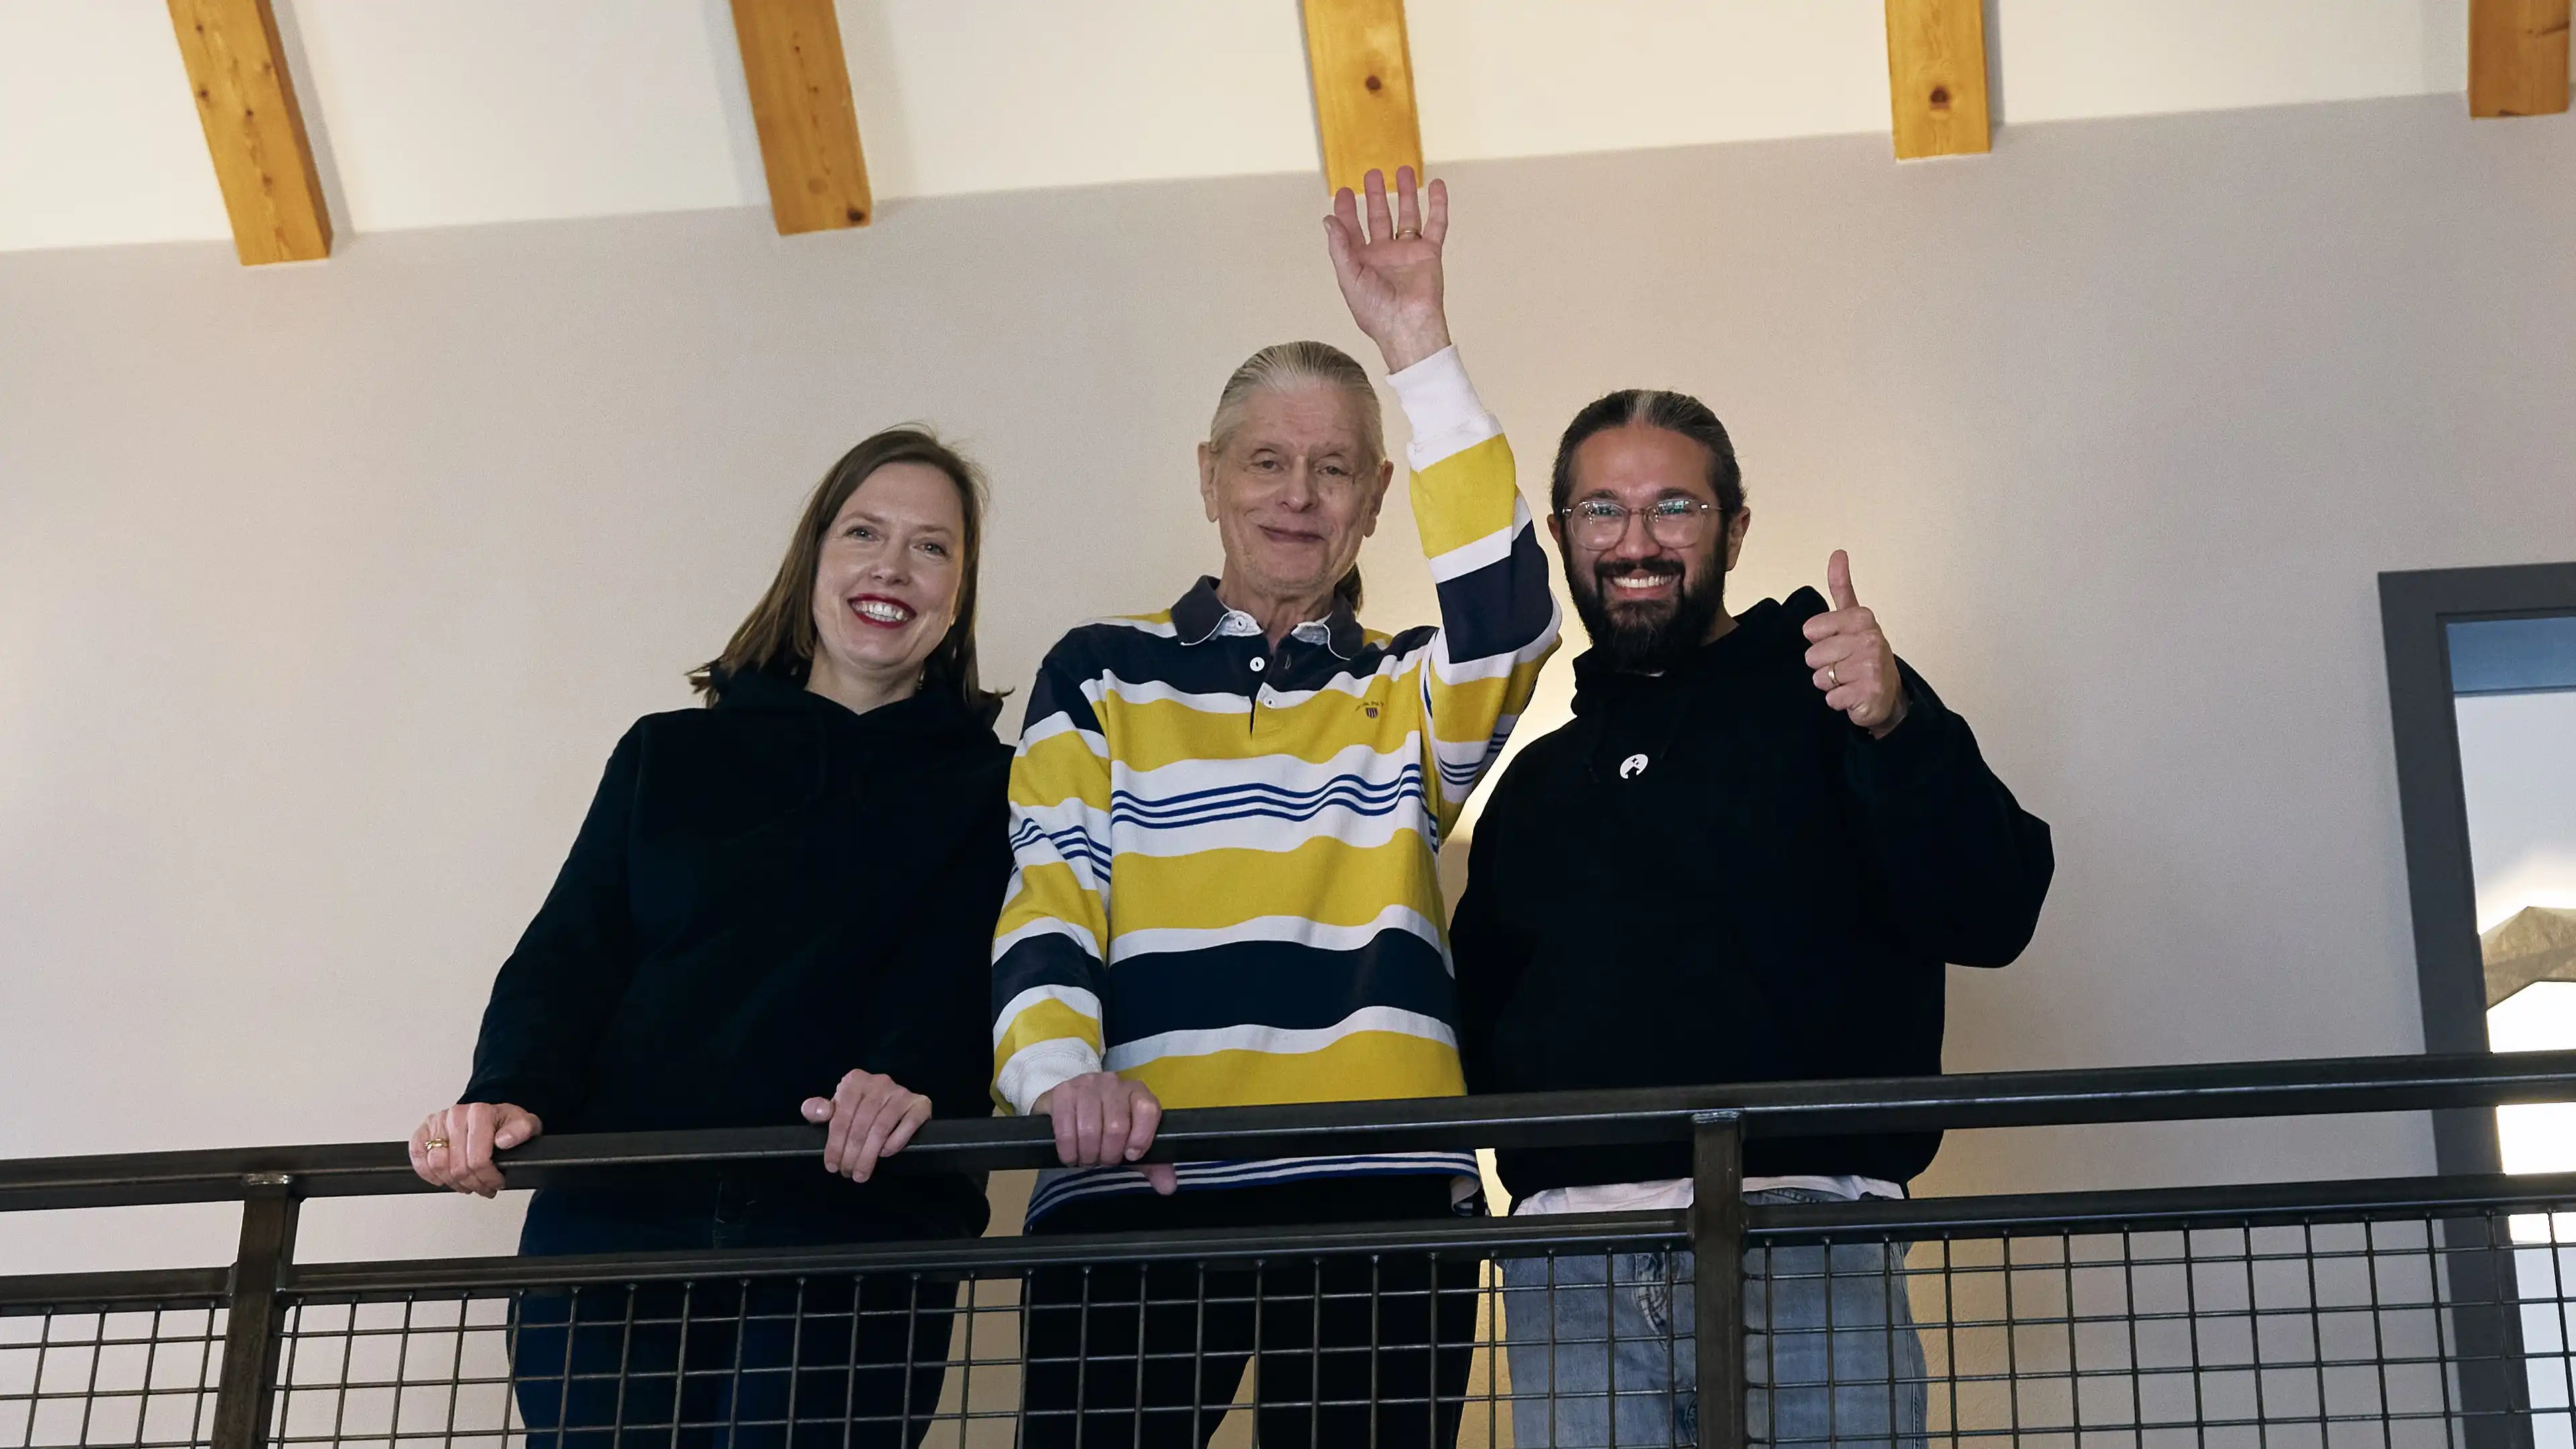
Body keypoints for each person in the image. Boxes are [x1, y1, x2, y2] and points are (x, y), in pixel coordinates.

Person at [989, 168, 1560, 1446]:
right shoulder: (1098, 670)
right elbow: (1051, 892)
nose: (1299, 493)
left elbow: (1516, 624)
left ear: (1374, 502)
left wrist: (1415, 341)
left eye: (1334, 468)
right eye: (1266, 461)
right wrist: (1059, 1082)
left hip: (1380, 1193)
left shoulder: (1407, 689)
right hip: (1133, 1182)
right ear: (1209, 479)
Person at [1451, 390, 2056, 1448]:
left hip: (1806, 1245)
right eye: (1603, 510)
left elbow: (1993, 911)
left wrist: (1897, 725)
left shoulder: (1842, 698)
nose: (1636, 541)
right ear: (1562, 536)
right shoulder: (1536, 784)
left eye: (1674, 506)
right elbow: (1476, 1018)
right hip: (1572, 1270)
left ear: (1733, 530)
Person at [409, 428, 1014, 1449]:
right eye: (864, 533)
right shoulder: (668, 755)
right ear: (812, 560)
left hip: (860, 1228)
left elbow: (975, 977)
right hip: (620, 1222)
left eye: (931, 547)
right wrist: (507, 1088)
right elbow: (572, 951)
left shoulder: (1000, 786)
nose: (892, 567)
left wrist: (912, 1078)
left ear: (958, 596)